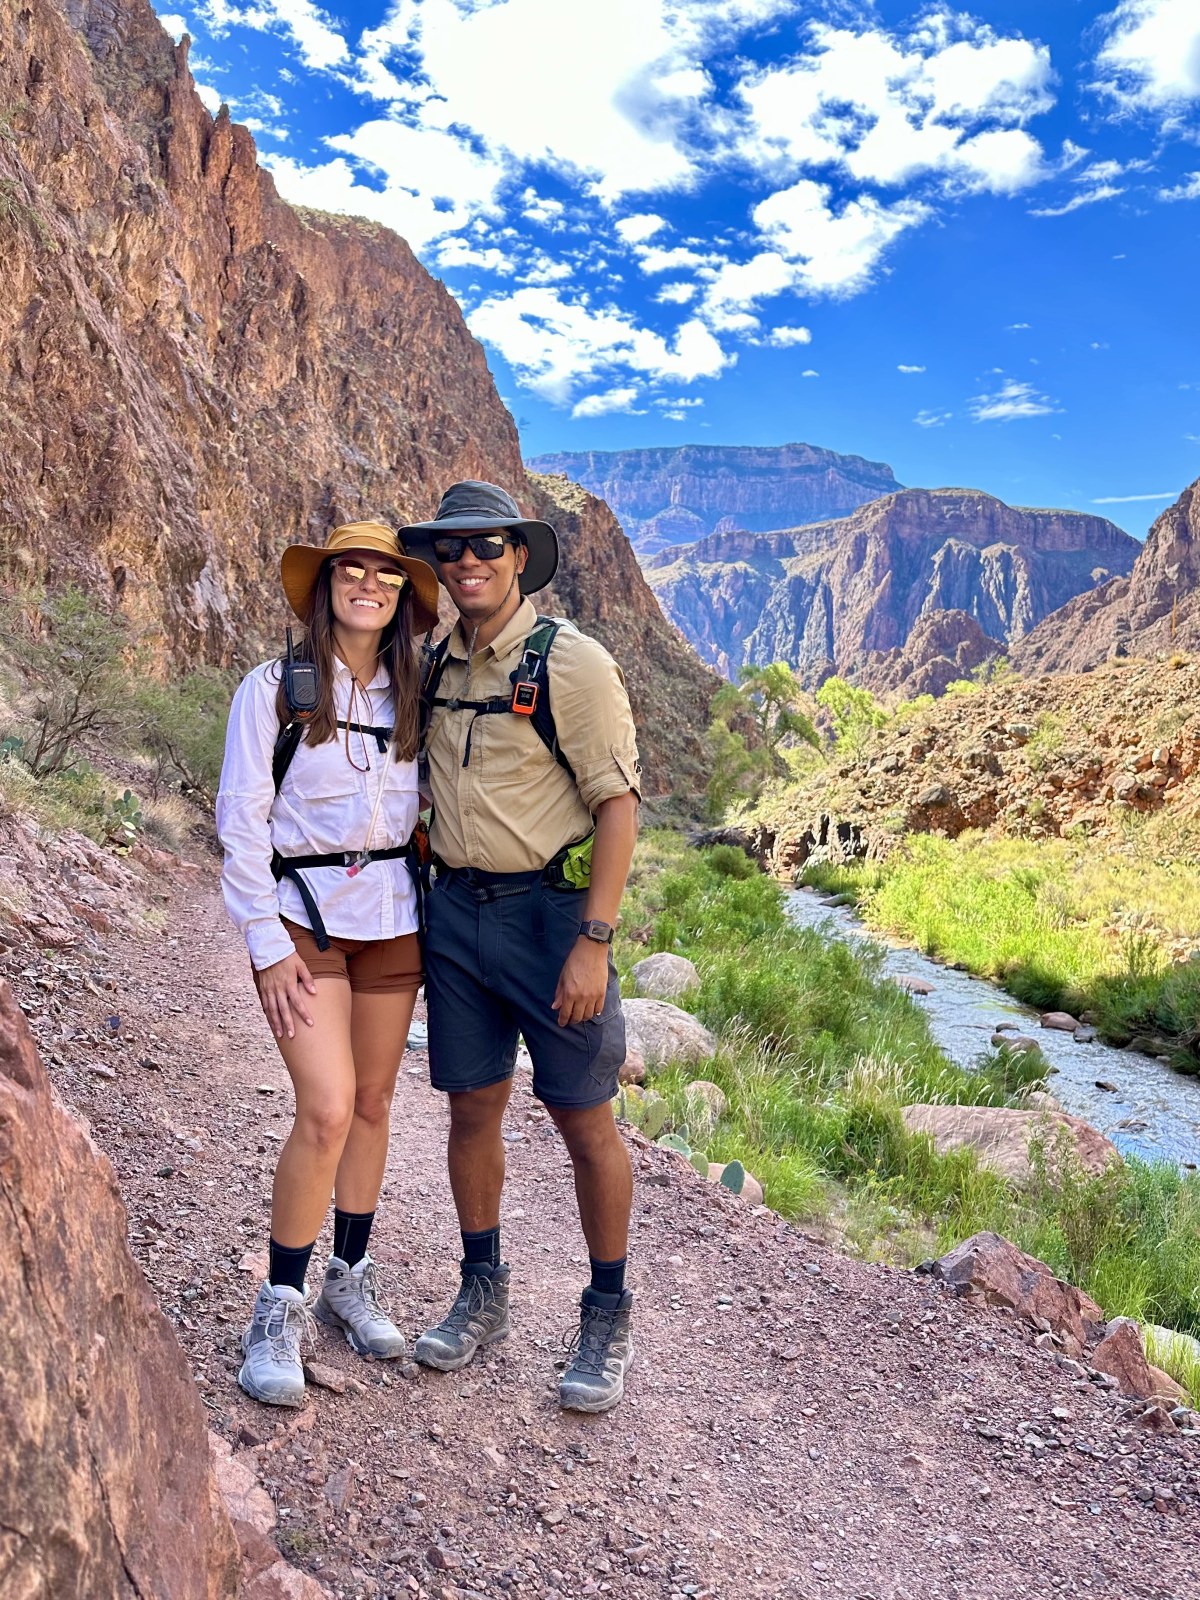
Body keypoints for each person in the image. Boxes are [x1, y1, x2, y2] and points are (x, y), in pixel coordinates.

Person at [398, 481, 641, 1413]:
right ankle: (482, 1287)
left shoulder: (569, 664)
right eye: (451, 550)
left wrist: (595, 943)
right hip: (455, 916)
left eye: (485, 546)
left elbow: (618, 806)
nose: (467, 563)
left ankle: (607, 1310)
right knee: (470, 1110)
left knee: (585, 1120)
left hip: (549, 920)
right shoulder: (436, 665)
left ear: (517, 556)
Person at [215, 521, 440, 1407]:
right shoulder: (273, 691)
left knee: (377, 1104)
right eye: (353, 568)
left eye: (387, 574)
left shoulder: (415, 694)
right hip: (303, 916)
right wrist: (265, 945)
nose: (368, 583)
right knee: (328, 1106)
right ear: (327, 585)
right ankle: (278, 1303)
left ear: (400, 601)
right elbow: (241, 822)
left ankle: (349, 1274)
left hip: (393, 920)